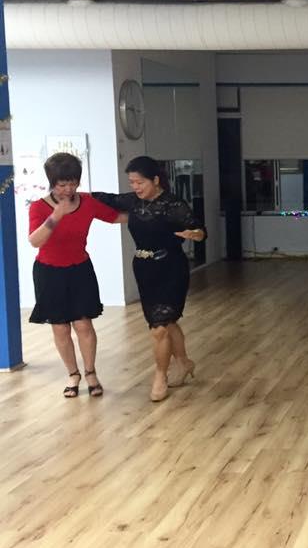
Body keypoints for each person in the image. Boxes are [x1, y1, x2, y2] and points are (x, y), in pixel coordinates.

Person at [93, 156, 206, 402]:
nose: (135, 187)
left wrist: (194, 234)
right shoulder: (132, 201)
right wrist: (71, 194)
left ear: (155, 180)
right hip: (144, 269)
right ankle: (184, 363)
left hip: (171, 268)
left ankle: (160, 376)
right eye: (132, 182)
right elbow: (105, 198)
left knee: (159, 327)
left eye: (140, 182)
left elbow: (199, 230)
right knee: (168, 322)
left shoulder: (173, 204)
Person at [27, 152, 124, 398]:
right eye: (62, 185)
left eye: (73, 183)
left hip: (80, 269)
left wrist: (156, 218)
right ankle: (73, 374)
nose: (68, 189)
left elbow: (115, 217)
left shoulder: (87, 202)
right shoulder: (39, 207)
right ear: (52, 182)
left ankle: (91, 373)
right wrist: (55, 217)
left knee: (83, 324)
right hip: (49, 272)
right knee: (60, 327)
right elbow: (35, 241)